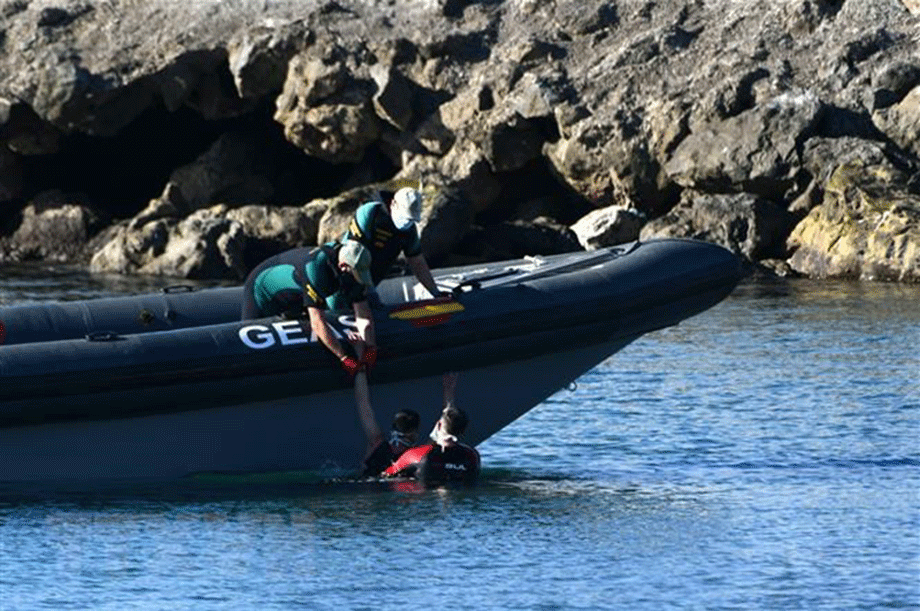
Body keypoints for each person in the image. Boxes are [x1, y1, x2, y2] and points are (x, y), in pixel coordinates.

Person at [241, 240, 376, 375]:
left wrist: (370, 349)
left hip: (296, 296)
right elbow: (317, 323)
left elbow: (363, 314)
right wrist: (343, 357)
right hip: (262, 290)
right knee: (249, 355)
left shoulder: (353, 268)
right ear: (343, 266)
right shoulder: (315, 268)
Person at [328, 187, 445, 310]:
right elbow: (354, 255)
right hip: (344, 277)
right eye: (404, 217)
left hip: (372, 282)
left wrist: (435, 293)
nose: (406, 222)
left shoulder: (409, 230)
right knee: (337, 304)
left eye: (411, 220)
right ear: (393, 204)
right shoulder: (371, 213)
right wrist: (371, 295)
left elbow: (417, 262)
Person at [382, 372, 480, 485]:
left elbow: (387, 475)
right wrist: (449, 392)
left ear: (438, 425)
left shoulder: (417, 455)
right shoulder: (472, 455)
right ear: (463, 430)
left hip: (427, 497)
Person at [352, 361, 421, 477]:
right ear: (414, 433)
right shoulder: (415, 458)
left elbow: (363, 404)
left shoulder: (376, 442)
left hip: (364, 487)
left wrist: (361, 365)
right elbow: (446, 428)